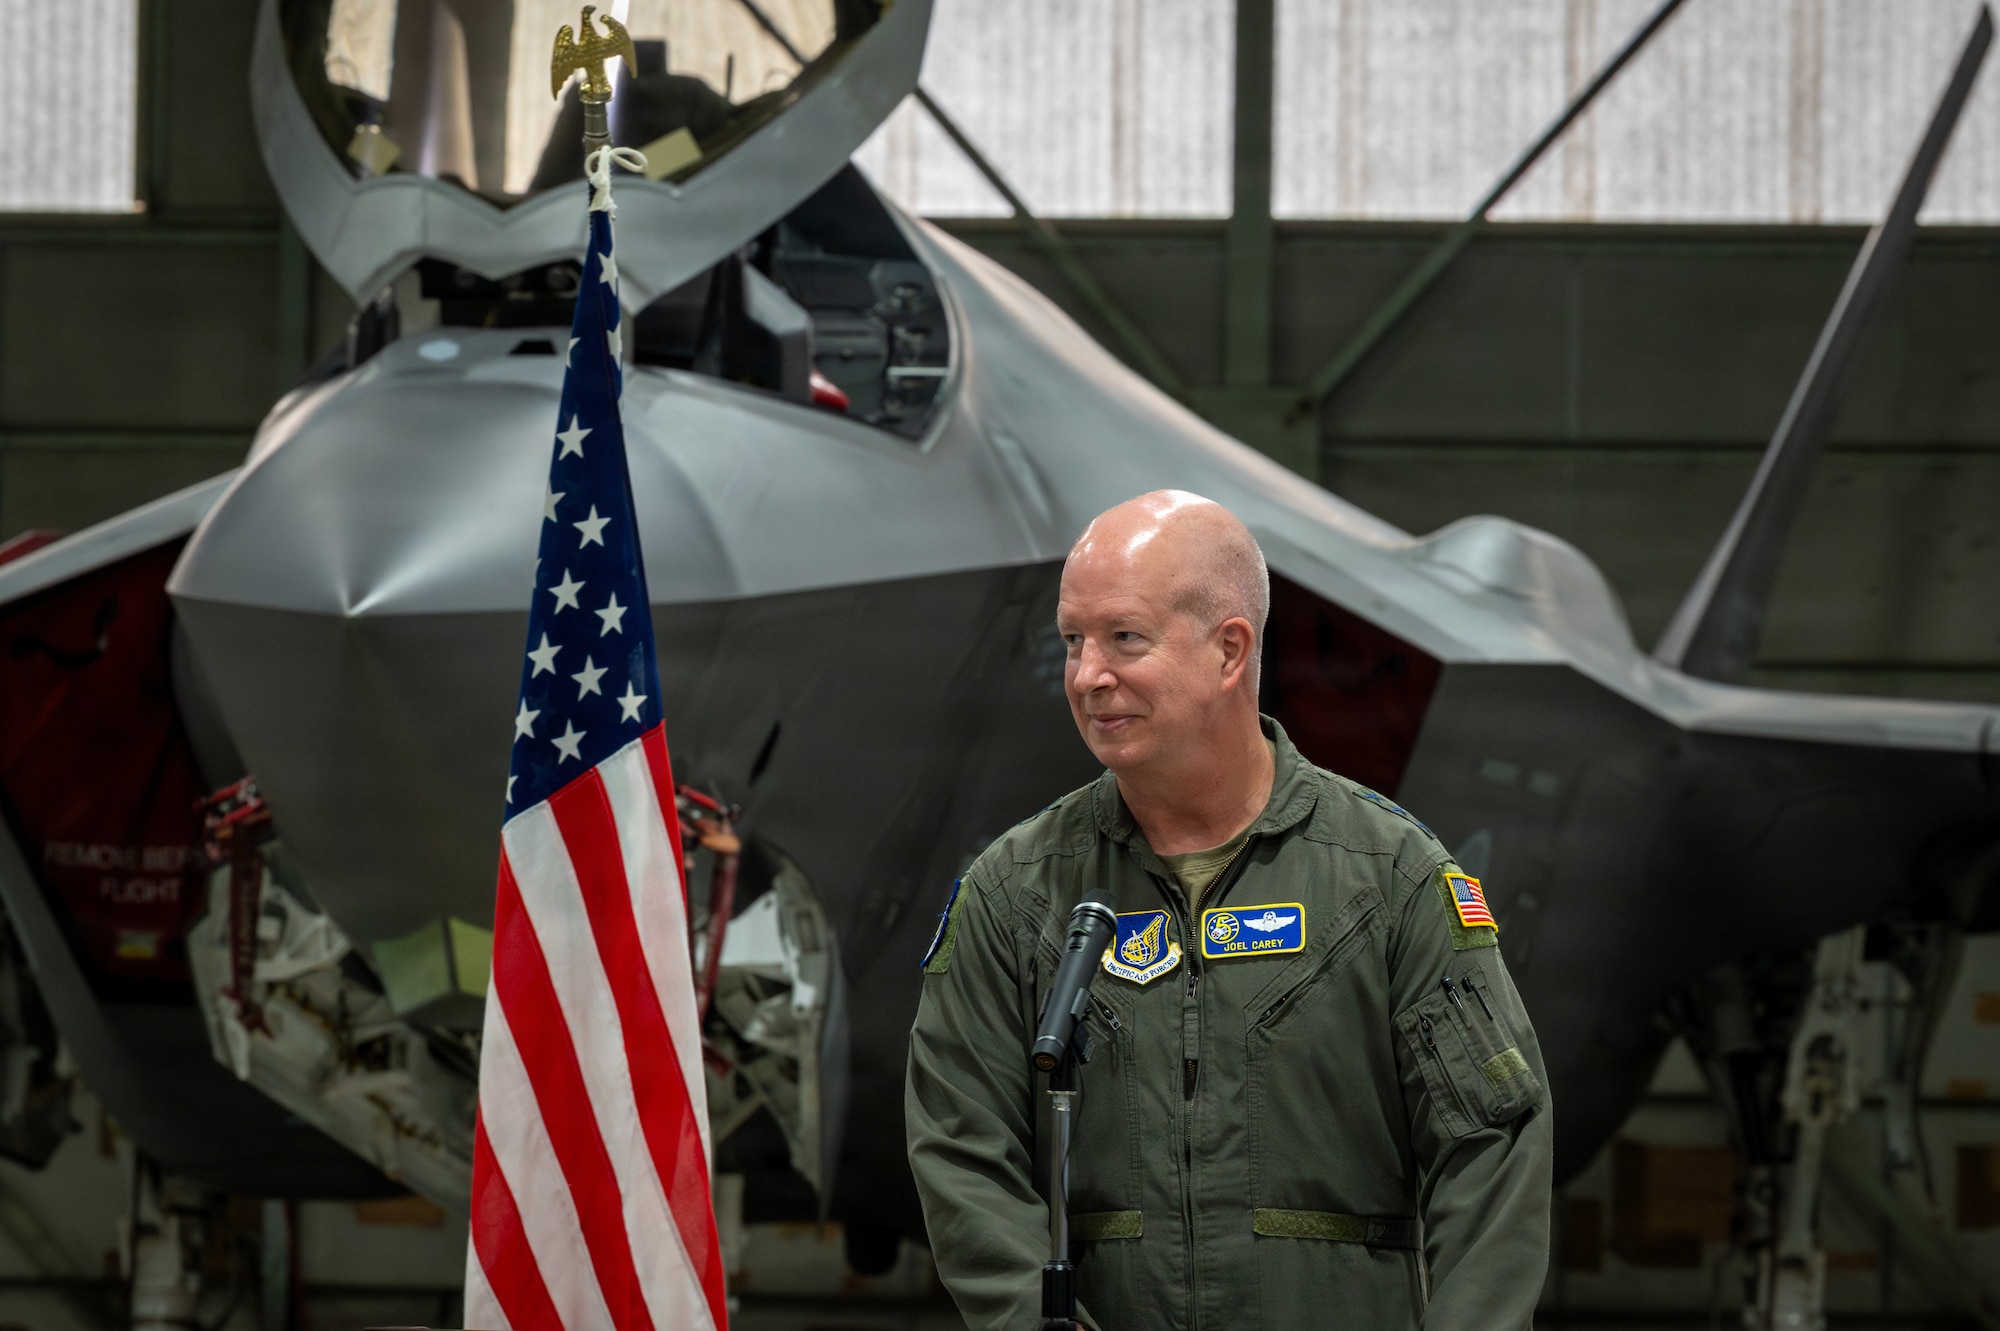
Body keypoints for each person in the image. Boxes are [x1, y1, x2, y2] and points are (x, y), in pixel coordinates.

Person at [906, 490, 1552, 1329]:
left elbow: (1492, 1153)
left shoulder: (1389, 879)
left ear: (1228, 651)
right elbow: (963, 1157)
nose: (1087, 674)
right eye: (1073, 640)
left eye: (1124, 637)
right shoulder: (1016, 893)